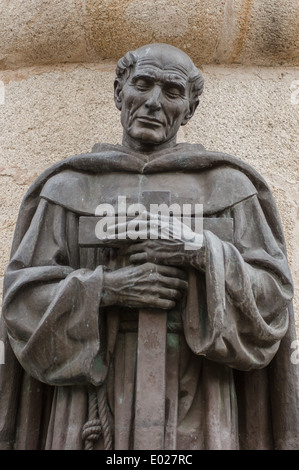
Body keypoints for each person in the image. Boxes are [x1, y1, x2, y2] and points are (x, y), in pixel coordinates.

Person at [0, 43, 298, 450]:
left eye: (172, 92)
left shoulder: (229, 187)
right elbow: (22, 304)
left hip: (201, 397)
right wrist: (106, 288)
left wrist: (202, 252)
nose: (154, 103)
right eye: (142, 85)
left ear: (190, 109)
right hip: (89, 404)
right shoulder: (68, 188)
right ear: (119, 91)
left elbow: (274, 300)